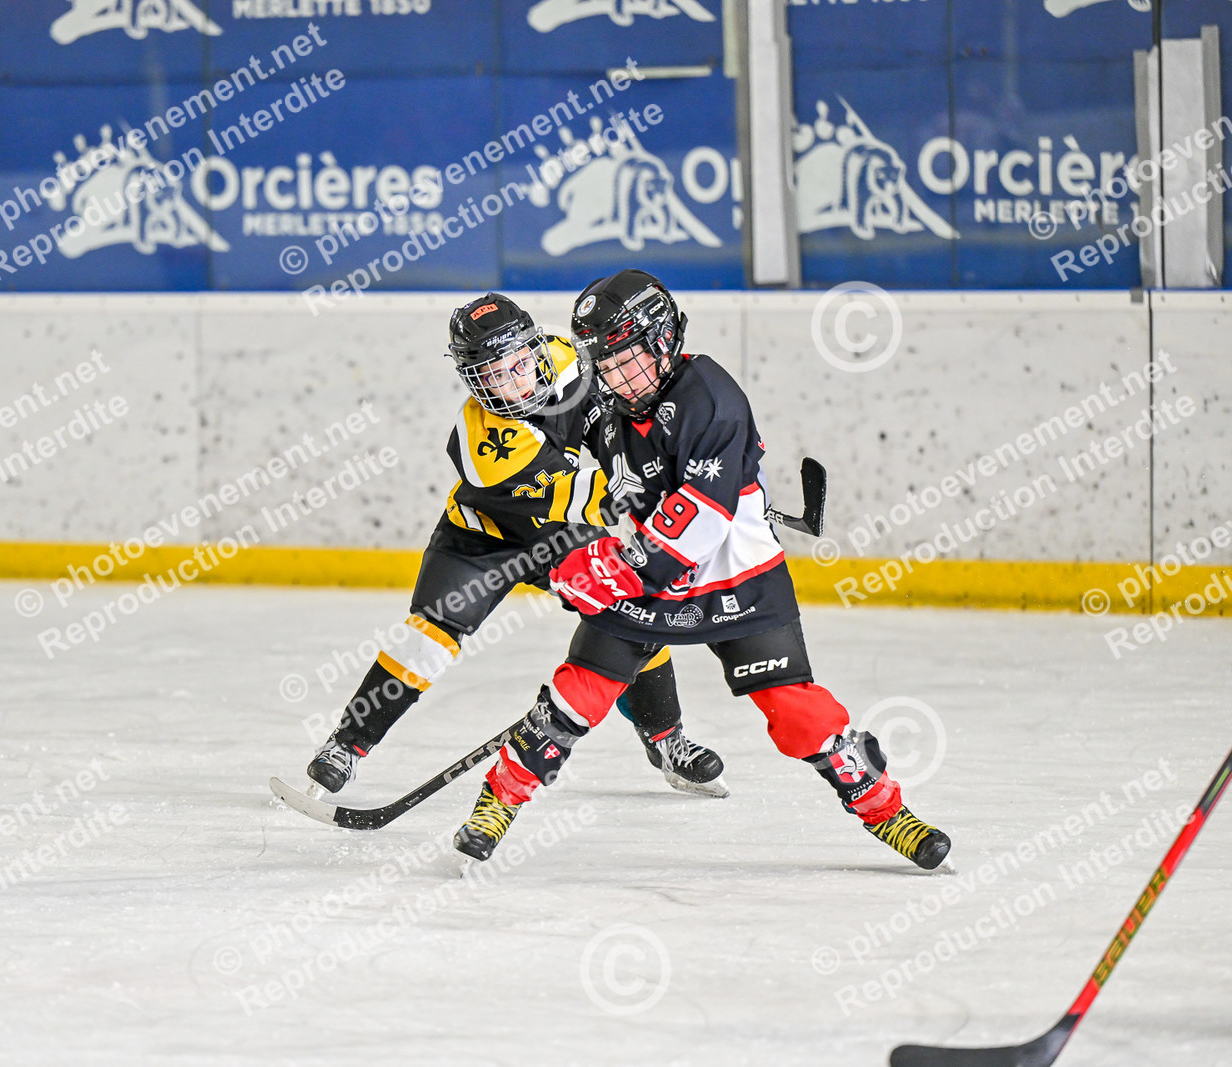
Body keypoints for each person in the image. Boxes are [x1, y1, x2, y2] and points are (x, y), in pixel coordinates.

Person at [451, 270, 952, 870]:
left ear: (663, 341)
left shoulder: (709, 397)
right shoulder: (602, 397)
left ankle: (887, 811)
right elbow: (525, 435)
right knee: (576, 694)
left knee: (799, 715)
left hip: (736, 577)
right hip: (649, 579)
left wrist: (605, 569)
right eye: (604, 363)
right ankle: (498, 801)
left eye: (627, 360)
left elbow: (697, 525)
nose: (616, 376)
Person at [303, 293, 727, 799]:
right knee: (427, 640)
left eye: (520, 364)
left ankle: (666, 740)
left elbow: (614, 429)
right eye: (493, 375)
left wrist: (677, 466)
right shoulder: (481, 443)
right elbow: (585, 496)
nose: (513, 382)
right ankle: (346, 745)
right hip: (481, 539)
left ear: (536, 347)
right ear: (473, 380)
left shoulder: (571, 361)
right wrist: (668, 490)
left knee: (634, 615)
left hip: (558, 536)